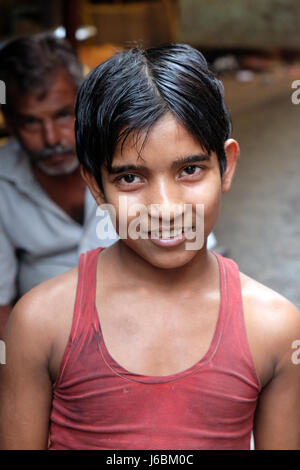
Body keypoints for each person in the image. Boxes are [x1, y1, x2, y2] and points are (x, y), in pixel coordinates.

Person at [1, 43, 300, 451]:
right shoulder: (39, 323)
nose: (164, 208)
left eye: (190, 169)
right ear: (95, 186)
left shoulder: (275, 329)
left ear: (226, 166)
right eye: (130, 178)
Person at [0, 34, 117, 336]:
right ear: (10, 124)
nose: (51, 138)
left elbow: (199, 255)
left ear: (83, 104)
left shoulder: (127, 154)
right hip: (47, 340)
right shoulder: (3, 181)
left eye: (63, 114)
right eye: (31, 122)